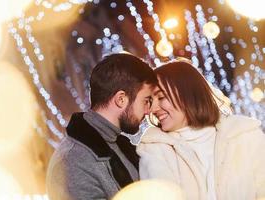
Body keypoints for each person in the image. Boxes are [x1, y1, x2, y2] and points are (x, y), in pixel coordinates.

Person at [137, 58, 265, 200]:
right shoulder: (155, 148)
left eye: (161, 97)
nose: (153, 109)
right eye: (149, 101)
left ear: (187, 94)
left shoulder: (244, 134)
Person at [47, 53, 158, 200]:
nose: (148, 110)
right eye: (146, 100)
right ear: (121, 99)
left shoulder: (118, 145)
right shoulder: (73, 162)